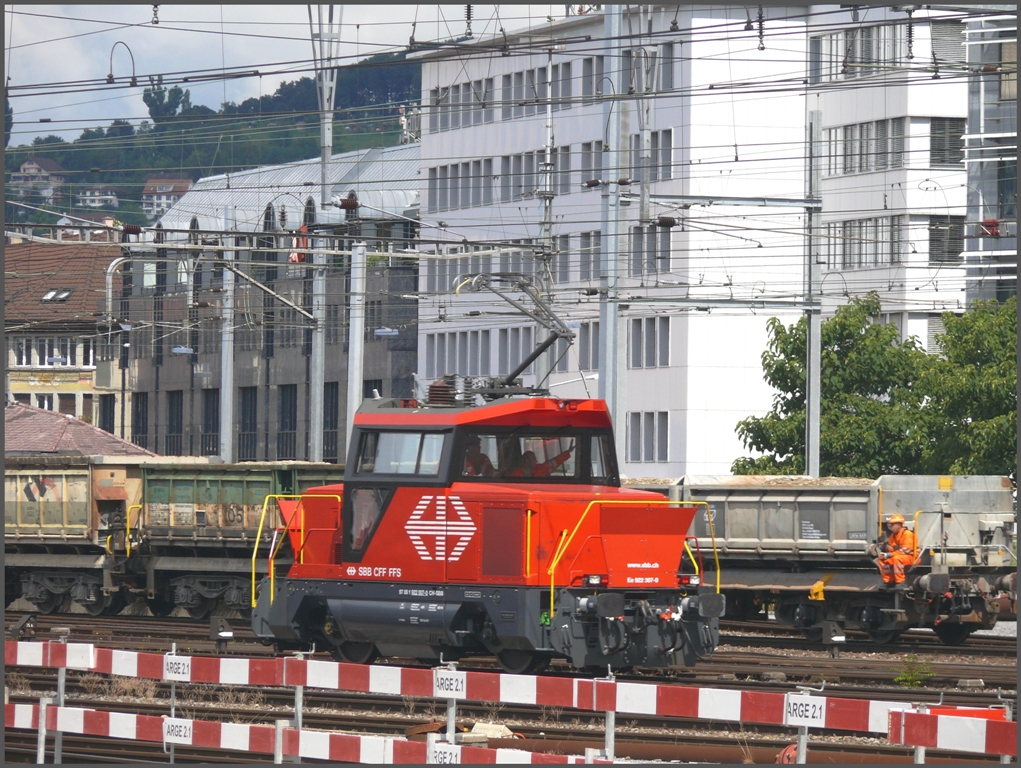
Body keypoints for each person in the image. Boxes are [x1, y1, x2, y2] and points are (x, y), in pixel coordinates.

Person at [877, 513, 916, 586]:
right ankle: (889, 581)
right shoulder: (893, 536)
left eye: (892, 525)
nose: (891, 527)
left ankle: (900, 582)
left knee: (897, 559)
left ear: (899, 525)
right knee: (881, 559)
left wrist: (889, 554)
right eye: (890, 525)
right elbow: (893, 549)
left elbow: (905, 551)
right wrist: (885, 547)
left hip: (912, 557)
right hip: (900, 556)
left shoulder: (908, 534)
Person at [510, 442, 574, 477]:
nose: (536, 461)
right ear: (527, 460)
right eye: (534, 459)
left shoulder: (541, 469)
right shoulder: (515, 474)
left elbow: (555, 461)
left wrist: (568, 452)